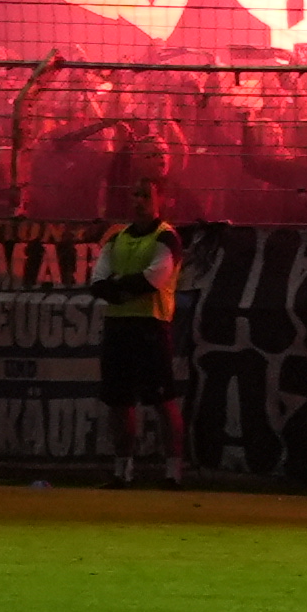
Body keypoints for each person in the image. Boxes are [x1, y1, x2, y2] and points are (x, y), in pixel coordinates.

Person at [93, 195, 185, 486]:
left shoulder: (166, 237)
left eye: (145, 196)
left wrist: (118, 285)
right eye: (134, 195)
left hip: (151, 326)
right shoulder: (116, 237)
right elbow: (97, 281)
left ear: (160, 200)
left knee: (162, 400)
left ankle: (173, 472)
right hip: (118, 326)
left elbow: (154, 279)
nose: (138, 202)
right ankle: (123, 470)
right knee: (119, 402)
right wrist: (125, 287)